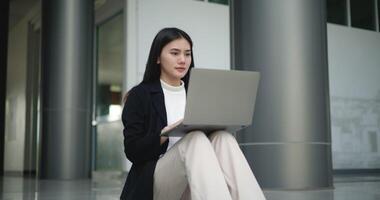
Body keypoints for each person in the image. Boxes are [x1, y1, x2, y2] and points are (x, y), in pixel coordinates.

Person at [120, 27, 266, 200]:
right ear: (157, 57)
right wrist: (165, 133)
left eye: (187, 54)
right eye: (175, 53)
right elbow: (132, 150)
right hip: (158, 184)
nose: (182, 60)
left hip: (199, 182)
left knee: (223, 138)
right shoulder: (139, 95)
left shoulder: (198, 93)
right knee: (194, 139)